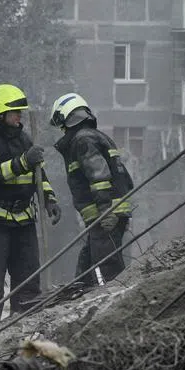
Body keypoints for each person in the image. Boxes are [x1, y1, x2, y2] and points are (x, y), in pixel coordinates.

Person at [0, 84, 61, 316]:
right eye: (15, 112)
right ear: (0, 115)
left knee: (28, 283)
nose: (20, 116)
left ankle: (24, 332)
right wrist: (23, 162)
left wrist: (49, 198)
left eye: (21, 112)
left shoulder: (25, 140)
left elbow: (39, 175)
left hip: (24, 221)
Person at [50, 93, 135, 285]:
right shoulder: (96, 137)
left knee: (106, 266)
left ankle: (112, 300)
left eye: (62, 126)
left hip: (104, 214)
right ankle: (82, 293)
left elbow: (99, 177)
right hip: (107, 212)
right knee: (89, 260)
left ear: (67, 119)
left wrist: (106, 211)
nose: (63, 131)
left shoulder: (83, 140)